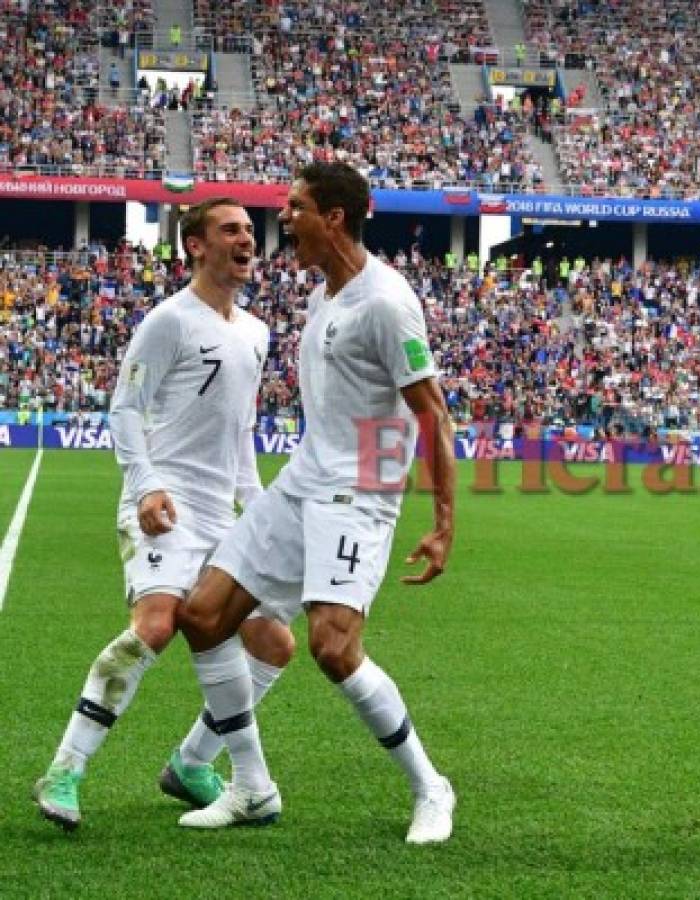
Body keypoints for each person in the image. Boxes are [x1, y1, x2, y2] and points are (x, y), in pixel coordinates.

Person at [172, 162, 458, 843]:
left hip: (357, 493)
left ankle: (430, 788)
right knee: (204, 615)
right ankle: (250, 787)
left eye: (294, 207)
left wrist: (441, 522)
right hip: (303, 480)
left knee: (333, 648)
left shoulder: (386, 302)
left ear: (333, 217)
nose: (283, 219)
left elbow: (432, 414)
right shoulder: (323, 296)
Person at [33, 199, 296, 832]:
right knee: (156, 625)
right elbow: (125, 410)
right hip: (163, 504)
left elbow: (239, 432)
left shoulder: (257, 332)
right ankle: (65, 770)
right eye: (230, 230)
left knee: (273, 640)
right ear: (196, 247)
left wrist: (256, 508)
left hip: (221, 511)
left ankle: (193, 762)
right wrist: (145, 483)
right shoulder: (168, 321)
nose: (247, 240)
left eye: (249, 231)